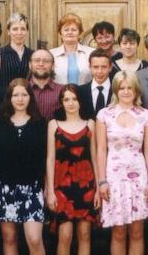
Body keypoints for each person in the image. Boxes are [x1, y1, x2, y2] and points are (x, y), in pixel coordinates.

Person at [96, 71, 148, 254]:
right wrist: (102, 181)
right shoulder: (104, 114)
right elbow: (101, 149)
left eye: (130, 88)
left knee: (137, 232)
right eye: (122, 88)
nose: (126, 91)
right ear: (116, 90)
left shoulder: (146, 115)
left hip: (139, 177)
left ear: (136, 90)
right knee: (119, 231)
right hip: (113, 177)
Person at [0, 78, 47, 255]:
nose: (20, 99)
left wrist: (47, 186)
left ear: (30, 97)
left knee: (34, 239)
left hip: (33, 188)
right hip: (5, 187)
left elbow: (45, 158)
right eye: (16, 95)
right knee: (9, 238)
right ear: (10, 98)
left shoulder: (40, 124)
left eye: (24, 94)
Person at [46, 85, 98, 255]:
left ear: (80, 101)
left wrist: (97, 188)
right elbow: (50, 159)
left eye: (74, 99)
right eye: (66, 99)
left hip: (86, 185)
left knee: (84, 234)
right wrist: (51, 191)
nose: (70, 103)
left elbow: (95, 158)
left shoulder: (90, 124)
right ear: (61, 102)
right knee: (65, 235)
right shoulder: (54, 125)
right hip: (62, 187)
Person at [50, 13, 95, 85]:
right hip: (59, 95)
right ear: (60, 34)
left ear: (80, 33)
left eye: (74, 30)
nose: (70, 32)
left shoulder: (91, 53)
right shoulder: (51, 54)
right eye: (66, 30)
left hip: (85, 95)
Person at [0, 13, 34, 89]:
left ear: (27, 32)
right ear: (8, 32)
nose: (19, 33)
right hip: (4, 99)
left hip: (27, 99)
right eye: (15, 29)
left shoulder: (33, 55)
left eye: (23, 29)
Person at [29, 49, 65, 120]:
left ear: (53, 66)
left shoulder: (62, 91)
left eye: (46, 61)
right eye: (37, 60)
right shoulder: (20, 90)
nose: (41, 64)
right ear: (30, 65)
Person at [78, 49, 114, 119]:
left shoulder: (118, 91)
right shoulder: (80, 91)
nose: (99, 71)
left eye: (104, 67)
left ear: (110, 68)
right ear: (90, 67)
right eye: (95, 67)